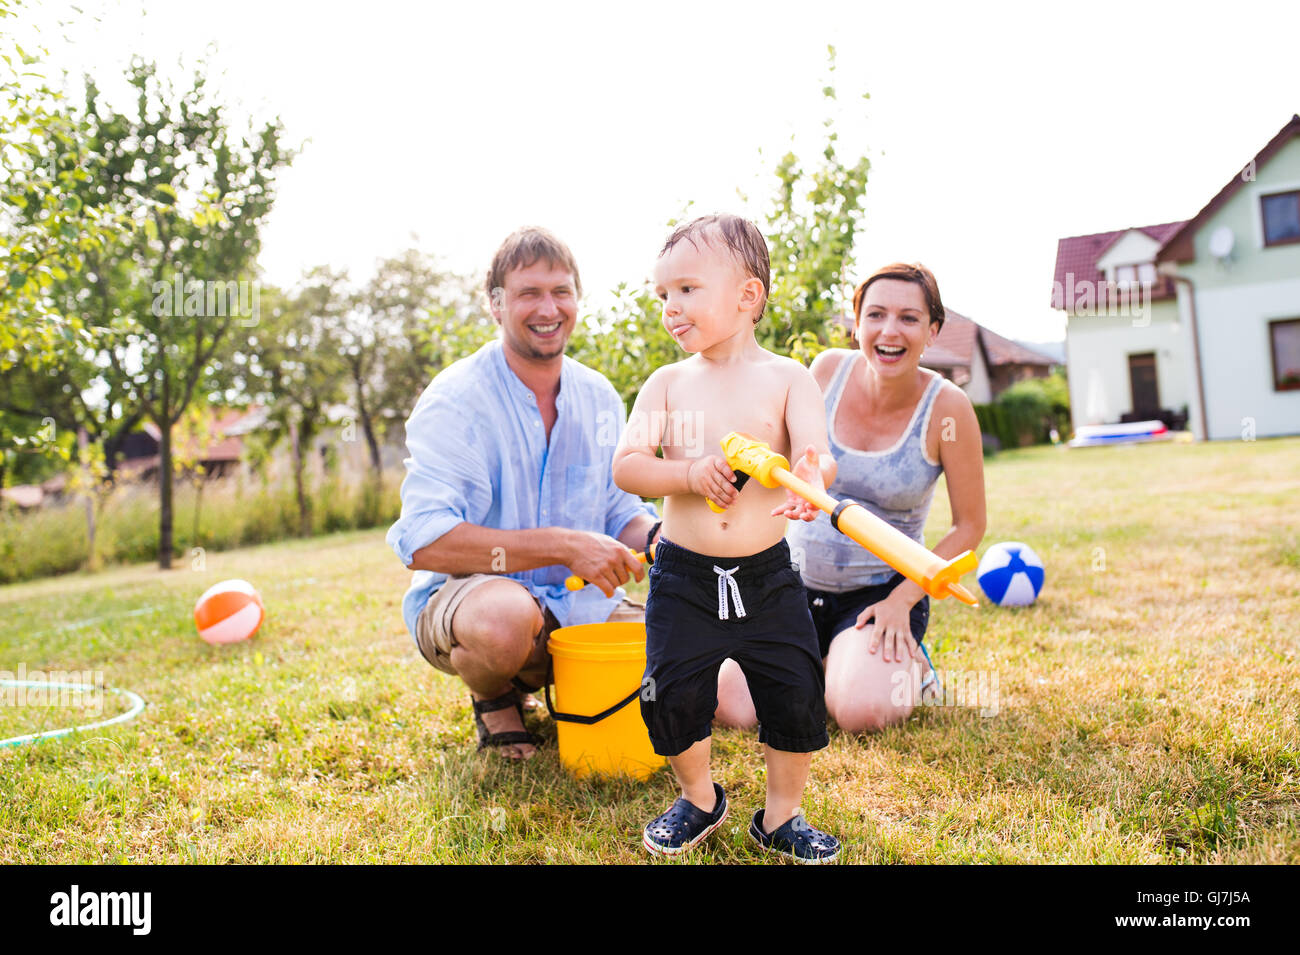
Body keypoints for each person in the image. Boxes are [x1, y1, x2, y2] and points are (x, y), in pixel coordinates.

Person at [612, 214, 841, 863]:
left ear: (747, 296)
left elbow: (819, 456)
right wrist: (687, 472)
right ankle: (698, 795)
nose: (670, 307)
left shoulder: (788, 378)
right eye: (662, 295)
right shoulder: (668, 383)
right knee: (672, 688)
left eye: (686, 288)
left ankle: (782, 814)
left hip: (767, 574)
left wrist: (807, 475)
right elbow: (627, 464)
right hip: (683, 577)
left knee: (793, 685)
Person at [387, 227, 659, 761]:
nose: (548, 308)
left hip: (581, 606)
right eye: (528, 293)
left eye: (561, 291)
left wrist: (660, 537)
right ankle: (493, 695)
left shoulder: (599, 396)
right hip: (478, 606)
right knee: (503, 620)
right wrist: (562, 546)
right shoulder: (456, 399)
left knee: (687, 654)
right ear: (495, 305)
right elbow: (423, 543)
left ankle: (562, 689)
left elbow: (619, 508)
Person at [715, 262, 987, 734]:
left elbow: (970, 525)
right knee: (736, 707)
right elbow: (795, 460)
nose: (890, 331)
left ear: (933, 331)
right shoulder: (826, 372)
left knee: (860, 713)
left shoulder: (948, 408)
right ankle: (826, 660)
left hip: (882, 593)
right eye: (876, 315)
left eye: (909, 318)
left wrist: (902, 601)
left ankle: (906, 669)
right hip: (792, 585)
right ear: (857, 322)